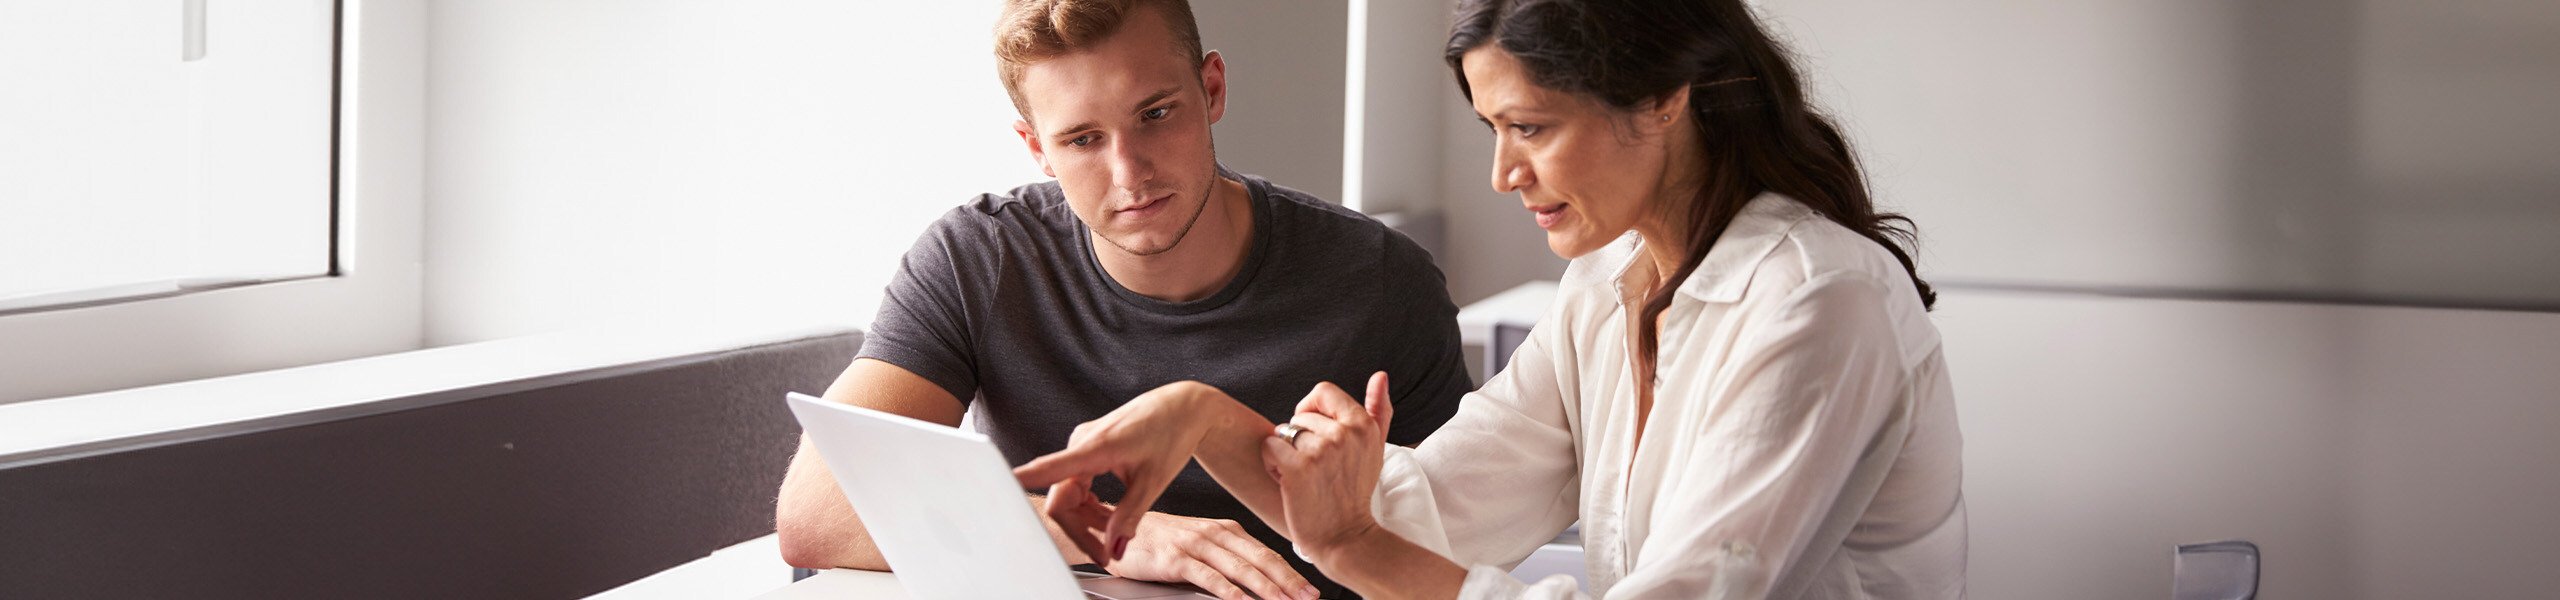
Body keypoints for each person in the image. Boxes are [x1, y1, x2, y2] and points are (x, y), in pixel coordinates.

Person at [1011, 0, 1966, 597]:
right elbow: (1422, 509)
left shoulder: (1814, 301)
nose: (1505, 172)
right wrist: (1197, 416)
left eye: (1531, 127)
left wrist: (1347, 543)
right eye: (1491, 129)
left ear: (1666, 97)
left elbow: (1371, 539)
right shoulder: (1605, 288)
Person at [772, 1, 1474, 599]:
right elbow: (815, 513)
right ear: (1036, 148)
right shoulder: (977, 260)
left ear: (1213, 89)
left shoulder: (1382, 281)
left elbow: (1462, 558)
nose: (1129, 172)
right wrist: (1101, 533)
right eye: (1082, 139)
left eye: (1157, 113)